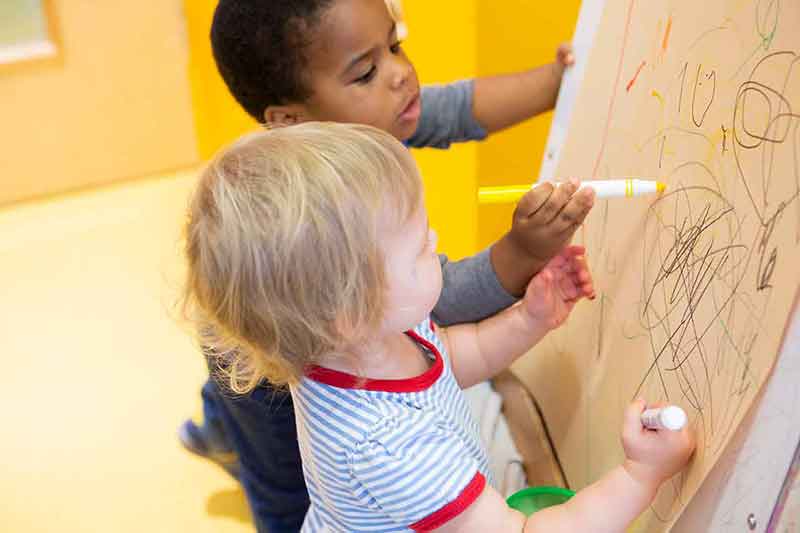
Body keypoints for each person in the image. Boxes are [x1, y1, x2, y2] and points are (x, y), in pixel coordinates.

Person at [180, 0, 594, 529]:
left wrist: (558, 82)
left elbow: (456, 108)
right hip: (263, 365)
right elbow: (433, 302)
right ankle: (226, 425)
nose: (401, 75)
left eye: (395, 44)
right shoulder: (318, 224)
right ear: (290, 120)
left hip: (270, 336)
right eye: (368, 71)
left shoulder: (359, 120)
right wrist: (523, 252)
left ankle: (216, 421)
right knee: (283, 482)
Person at [182, 122, 696, 532]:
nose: (434, 236)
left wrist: (528, 318)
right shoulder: (390, 446)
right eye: (418, 247)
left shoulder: (359, 339)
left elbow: (448, 359)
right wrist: (640, 474)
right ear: (350, 310)